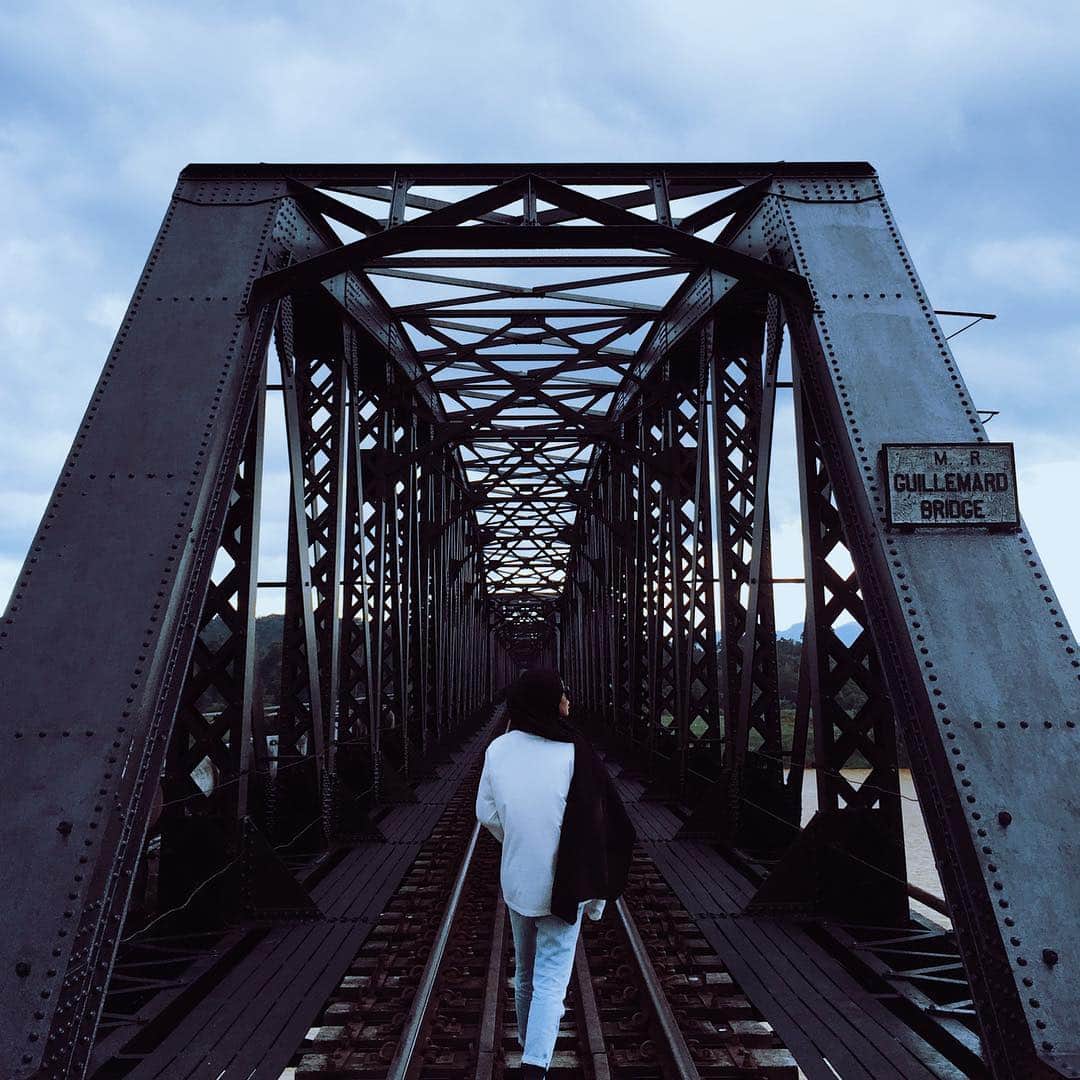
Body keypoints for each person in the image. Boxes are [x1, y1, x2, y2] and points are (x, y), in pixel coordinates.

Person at [475, 668, 636, 1078]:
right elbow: (602, 823)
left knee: (525, 971)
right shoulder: (575, 752)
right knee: (551, 977)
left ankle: (530, 1048)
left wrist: (520, 837)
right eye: (564, 694)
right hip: (569, 883)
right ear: (549, 701)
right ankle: (534, 1066)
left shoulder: (498, 750)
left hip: (518, 881)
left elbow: (486, 814)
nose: (569, 702)